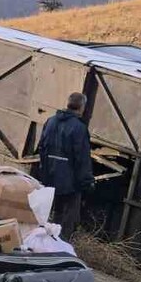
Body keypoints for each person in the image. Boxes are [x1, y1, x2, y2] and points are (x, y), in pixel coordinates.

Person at [37, 92, 95, 237]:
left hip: (49, 179)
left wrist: (45, 172)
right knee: (66, 222)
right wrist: (87, 182)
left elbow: (42, 148)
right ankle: (60, 245)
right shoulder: (80, 128)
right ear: (82, 107)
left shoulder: (50, 121)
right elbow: (82, 159)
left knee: (47, 217)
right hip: (70, 185)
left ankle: (44, 242)